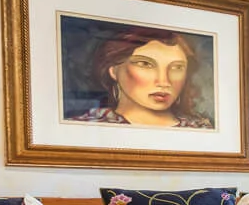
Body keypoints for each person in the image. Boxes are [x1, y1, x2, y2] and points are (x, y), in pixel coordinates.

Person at [68, 27, 214, 129]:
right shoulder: (83, 127)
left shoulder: (202, 129)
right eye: (145, 64)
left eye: (177, 67)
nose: (164, 81)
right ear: (113, 71)